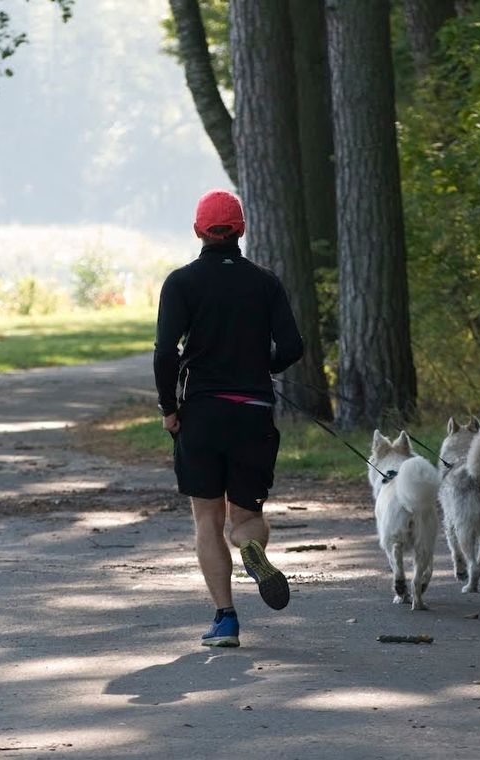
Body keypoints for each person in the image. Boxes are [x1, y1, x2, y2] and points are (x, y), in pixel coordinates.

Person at [154, 189, 305, 648]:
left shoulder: (180, 283)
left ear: (199, 230)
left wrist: (169, 409)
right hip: (252, 414)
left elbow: (165, 353)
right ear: (240, 229)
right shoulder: (265, 283)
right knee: (245, 516)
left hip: (201, 413)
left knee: (206, 519)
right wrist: (262, 368)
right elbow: (293, 347)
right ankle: (251, 548)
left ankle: (225, 621)